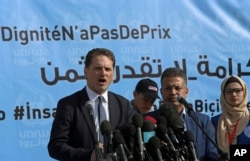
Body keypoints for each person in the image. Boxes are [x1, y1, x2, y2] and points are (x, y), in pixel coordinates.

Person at [47, 48, 134, 161]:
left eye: (107, 69)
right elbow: (56, 147)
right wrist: (89, 155)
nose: (103, 73)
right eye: (98, 68)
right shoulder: (68, 105)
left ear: (113, 74)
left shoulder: (123, 105)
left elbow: (133, 142)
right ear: (86, 72)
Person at [144, 67, 218, 161]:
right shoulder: (148, 120)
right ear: (161, 92)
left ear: (186, 92)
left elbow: (212, 154)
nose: (173, 92)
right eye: (168, 88)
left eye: (177, 88)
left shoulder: (202, 121)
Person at [211, 75, 250, 157]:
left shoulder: (249, 118)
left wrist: (234, 154)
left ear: (244, 92)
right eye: (229, 91)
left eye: (238, 90)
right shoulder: (215, 122)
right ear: (223, 94)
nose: (234, 94)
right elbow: (210, 150)